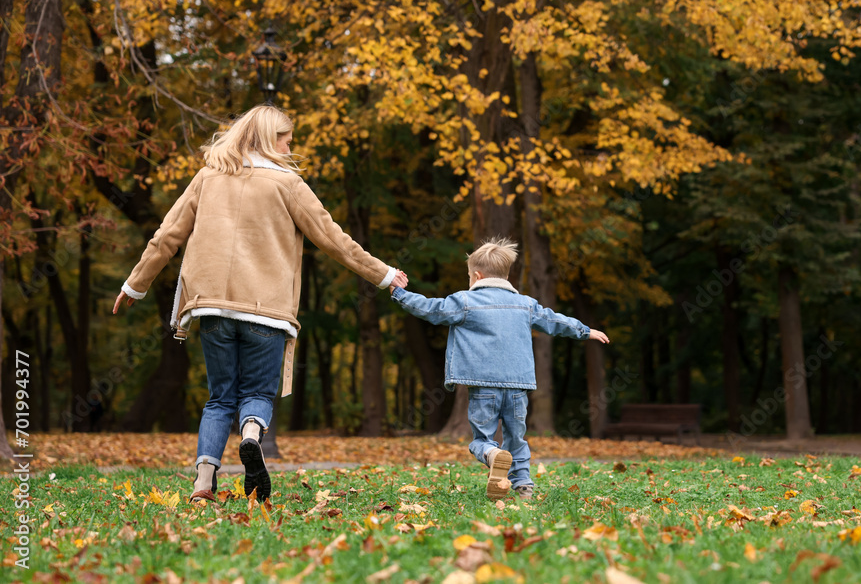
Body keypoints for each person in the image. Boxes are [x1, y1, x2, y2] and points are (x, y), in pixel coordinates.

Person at [112, 104, 407, 503]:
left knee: (219, 398)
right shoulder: (289, 185)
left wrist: (135, 285)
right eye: (286, 140)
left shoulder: (207, 178)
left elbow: (166, 237)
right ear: (269, 139)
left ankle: (203, 484)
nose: (290, 148)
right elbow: (334, 240)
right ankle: (251, 435)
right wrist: (384, 274)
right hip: (265, 310)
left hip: (211, 307)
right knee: (258, 394)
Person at [389, 237, 609, 501]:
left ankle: (492, 455)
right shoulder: (526, 304)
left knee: (481, 439)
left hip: (484, 386)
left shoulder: (465, 301)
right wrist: (585, 331)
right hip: (518, 387)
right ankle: (523, 486)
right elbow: (554, 320)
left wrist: (399, 293)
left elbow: (431, 309)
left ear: (477, 276)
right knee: (517, 437)